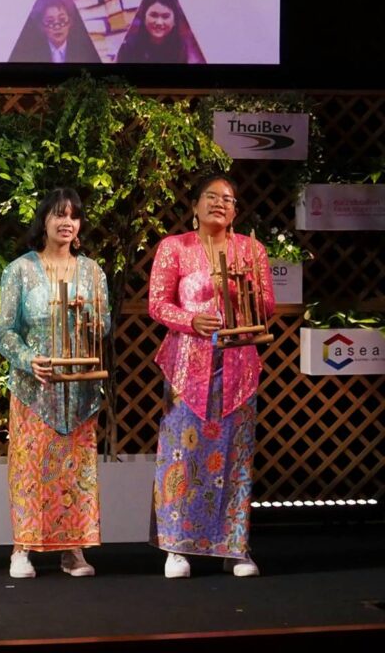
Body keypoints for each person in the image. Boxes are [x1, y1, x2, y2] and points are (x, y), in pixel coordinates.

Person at [148, 174, 274, 579]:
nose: (220, 203)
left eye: (228, 199)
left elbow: (268, 306)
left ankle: (235, 547)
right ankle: (176, 547)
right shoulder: (175, 248)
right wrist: (191, 320)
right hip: (187, 366)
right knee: (181, 454)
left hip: (237, 367)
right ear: (195, 206)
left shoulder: (250, 250)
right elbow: (157, 305)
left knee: (234, 458)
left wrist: (241, 291)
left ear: (236, 211)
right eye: (211, 197)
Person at [0, 189, 109, 579]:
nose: (66, 222)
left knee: (75, 473)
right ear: (43, 221)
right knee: (31, 469)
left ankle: (73, 551)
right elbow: (4, 333)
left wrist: (92, 323)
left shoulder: (93, 272)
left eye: (73, 216)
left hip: (80, 389)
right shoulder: (20, 271)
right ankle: (21, 548)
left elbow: (104, 327)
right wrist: (29, 360)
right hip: (35, 388)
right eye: (59, 215)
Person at [9, 0, 99, 64]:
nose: (57, 26)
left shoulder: (84, 51)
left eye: (62, 19)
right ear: (42, 26)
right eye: (50, 21)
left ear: (70, 21)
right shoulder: (32, 54)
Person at [117, 0, 204, 64]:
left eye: (165, 16)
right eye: (153, 15)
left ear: (174, 22)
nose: (159, 22)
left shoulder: (180, 47)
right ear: (144, 18)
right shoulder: (128, 47)